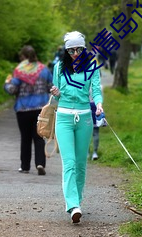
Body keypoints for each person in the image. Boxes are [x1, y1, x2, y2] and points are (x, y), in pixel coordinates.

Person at [50, 31, 104, 223]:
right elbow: (56, 96)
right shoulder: (59, 67)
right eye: (71, 50)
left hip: (85, 118)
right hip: (64, 118)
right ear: (66, 50)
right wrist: (55, 92)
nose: (75, 53)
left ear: (84, 49)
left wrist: (98, 104)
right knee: (70, 163)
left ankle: (77, 201)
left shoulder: (92, 67)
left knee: (81, 164)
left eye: (78, 49)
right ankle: (72, 205)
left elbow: (96, 90)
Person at [4, 45, 53, 175]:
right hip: (40, 109)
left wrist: (7, 83)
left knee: (25, 138)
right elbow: (51, 87)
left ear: (23, 57)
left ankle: (25, 166)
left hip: (23, 109)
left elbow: (12, 90)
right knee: (39, 137)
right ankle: (40, 163)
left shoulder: (19, 71)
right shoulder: (44, 70)